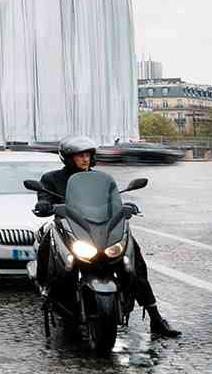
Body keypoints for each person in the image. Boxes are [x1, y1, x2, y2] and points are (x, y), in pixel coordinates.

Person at [35, 135, 181, 339]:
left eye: (88, 155)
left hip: (100, 230)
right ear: (68, 158)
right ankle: (45, 288)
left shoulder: (101, 179)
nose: (85, 159)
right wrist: (44, 204)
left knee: (134, 264)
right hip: (69, 228)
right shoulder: (51, 179)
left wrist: (125, 207)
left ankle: (156, 319)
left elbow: (114, 201)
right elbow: (44, 197)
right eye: (79, 155)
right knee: (46, 242)